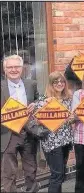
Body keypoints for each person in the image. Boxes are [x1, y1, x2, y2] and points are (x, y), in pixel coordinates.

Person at [26, 72, 74, 193]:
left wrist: (71, 118)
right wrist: (43, 113)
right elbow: (34, 121)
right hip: (51, 142)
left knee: (61, 173)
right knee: (57, 175)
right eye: (56, 82)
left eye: (62, 81)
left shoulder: (68, 98)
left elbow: (72, 117)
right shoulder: (43, 100)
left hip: (66, 140)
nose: (59, 84)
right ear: (51, 84)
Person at [1, 55, 40, 192]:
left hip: (28, 133)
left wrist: (35, 105)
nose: (13, 70)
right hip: (8, 134)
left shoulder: (31, 84)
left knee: (31, 170)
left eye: (16, 66)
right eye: (9, 67)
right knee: (9, 173)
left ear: (22, 68)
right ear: (4, 69)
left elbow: (38, 99)